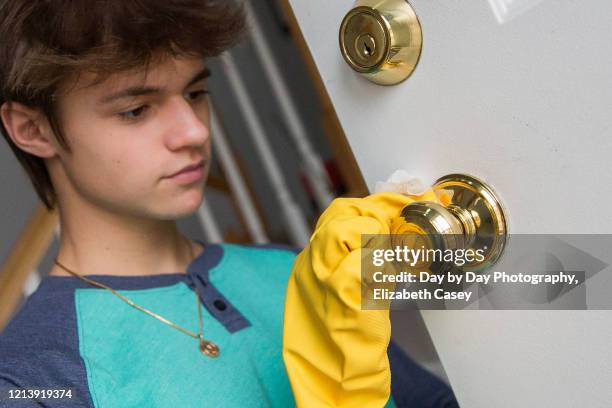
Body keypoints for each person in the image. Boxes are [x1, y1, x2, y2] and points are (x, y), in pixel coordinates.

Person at [0, 1, 458, 407]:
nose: (195, 132)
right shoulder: (32, 377)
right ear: (33, 130)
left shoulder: (290, 270)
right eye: (136, 109)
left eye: (195, 93)